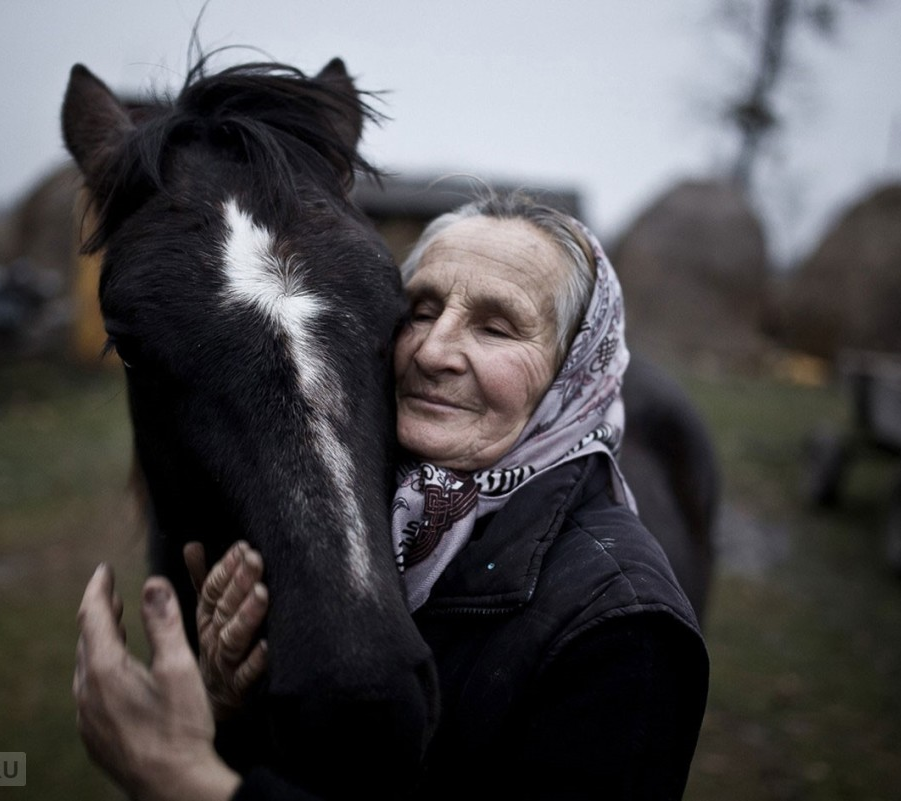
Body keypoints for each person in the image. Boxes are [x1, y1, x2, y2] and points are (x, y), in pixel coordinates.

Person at [74, 193, 709, 800]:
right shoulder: (348, 514)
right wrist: (235, 711)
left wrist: (187, 785)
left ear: (575, 373)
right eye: (423, 310)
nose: (433, 352)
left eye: (495, 327)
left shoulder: (626, 628)